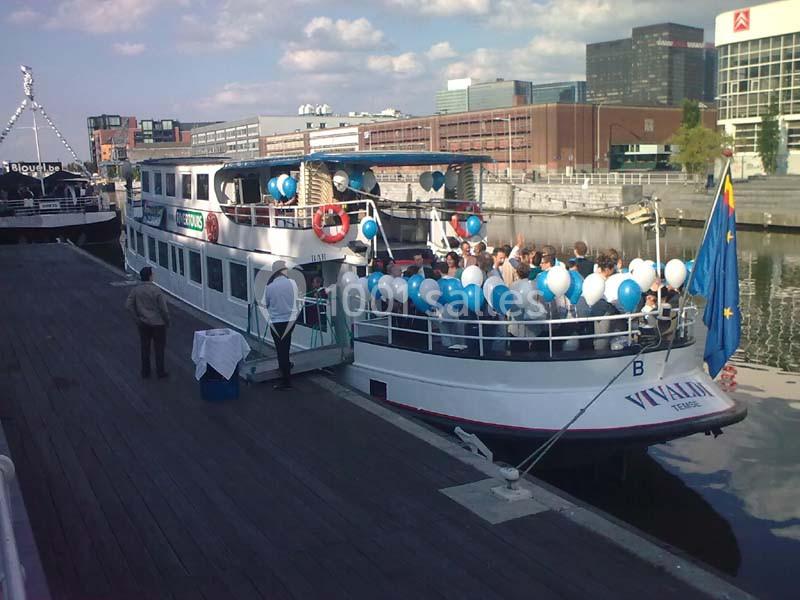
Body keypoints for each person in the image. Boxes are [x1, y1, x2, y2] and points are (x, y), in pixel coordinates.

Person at [125, 266, 170, 378]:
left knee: (145, 348)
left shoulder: (136, 290)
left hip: (143, 323)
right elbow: (163, 309)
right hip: (158, 324)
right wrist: (167, 321)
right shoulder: (157, 291)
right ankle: (160, 371)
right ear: (150, 276)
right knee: (159, 348)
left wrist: (137, 318)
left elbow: (128, 305)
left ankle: (145, 372)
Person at [264, 261, 298, 390]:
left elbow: (266, 303)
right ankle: (286, 366)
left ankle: (286, 380)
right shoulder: (293, 283)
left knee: (280, 349)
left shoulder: (270, 287)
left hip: (277, 321)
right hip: (290, 320)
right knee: (287, 345)